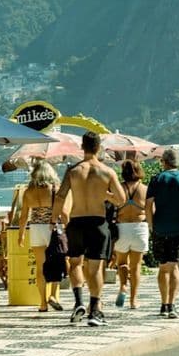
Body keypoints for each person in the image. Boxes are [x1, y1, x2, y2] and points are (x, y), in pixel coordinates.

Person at [51, 131, 125, 327]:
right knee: (95, 267)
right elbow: (121, 199)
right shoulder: (107, 171)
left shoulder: (73, 171)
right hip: (98, 223)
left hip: (76, 222)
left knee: (75, 263)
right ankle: (95, 311)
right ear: (99, 147)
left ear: (82, 147)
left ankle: (78, 302)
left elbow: (60, 197)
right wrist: (105, 195)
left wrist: (53, 220)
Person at [146, 148, 179, 319]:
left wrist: (151, 224)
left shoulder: (156, 179)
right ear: (178, 162)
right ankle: (172, 305)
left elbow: (148, 204)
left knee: (163, 267)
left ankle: (163, 305)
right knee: (175, 266)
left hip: (160, 227)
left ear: (164, 162)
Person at [17, 160, 67, 313]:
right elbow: (63, 213)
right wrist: (69, 228)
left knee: (40, 267)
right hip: (52, 228)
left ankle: (42, 303)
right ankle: (53, 296)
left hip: (36, 229)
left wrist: (21, 234)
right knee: (57, 263)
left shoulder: (28, 192)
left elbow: (23, 216)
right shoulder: (55, 189)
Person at [112, 159, 148, 309]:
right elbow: (152, 209)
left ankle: (123, 287)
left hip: (122, 227)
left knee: (121, 263)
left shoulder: (119, 188)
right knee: (136, 266)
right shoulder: (145, 189)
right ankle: (133, 300)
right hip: (140, 227)